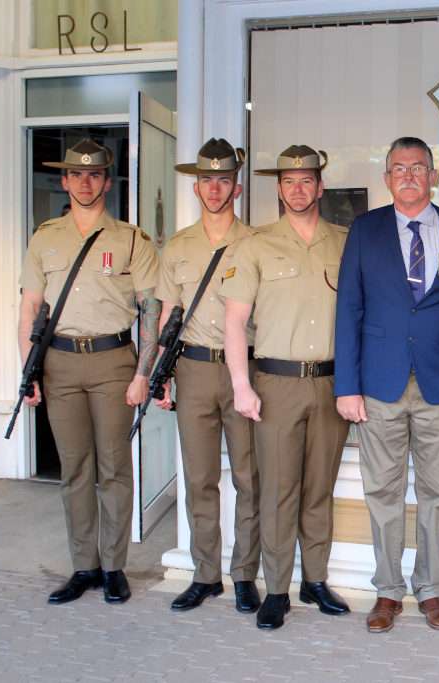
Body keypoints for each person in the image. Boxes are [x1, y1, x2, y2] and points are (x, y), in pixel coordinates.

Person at [334, 136, 439, 634]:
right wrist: (346, 386)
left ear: (434, 174)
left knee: (438, 493)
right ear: (386, 178)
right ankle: (387, 591)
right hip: (379, 383)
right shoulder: (365, 230)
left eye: (418, 168)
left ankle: (431, 588)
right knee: (384, 490)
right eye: (399, 168)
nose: (409, 176)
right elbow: (349, 310)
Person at [19, 138, 160, 605]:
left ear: (107, 181)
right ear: (64, 180)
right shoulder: (45, 236)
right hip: (59, 363)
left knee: (115, 469)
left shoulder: (131, 239)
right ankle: (84, 566)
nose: (85, 181)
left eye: (94, 174)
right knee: (75, 469)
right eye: (76, 174)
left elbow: (150, 311)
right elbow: (30, 308)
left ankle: (115, 566)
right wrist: (29, 371)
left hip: (112, 362)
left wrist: (144, 373)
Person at [220, 145, 351, 630]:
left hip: (330, 384)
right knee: (277, 491)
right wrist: (241, 385)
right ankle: (276, 588)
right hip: (274, 384)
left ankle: (314, 579)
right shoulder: (255, 245)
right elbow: (234, 323)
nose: (298, 189)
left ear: (320, 187)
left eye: (306, 181)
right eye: (289, 182)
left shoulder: (344, 241)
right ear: (278, 189)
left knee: (319, 488)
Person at [154, 138, 261, 614]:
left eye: (223, 180)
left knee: (248, 477)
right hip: (194, 369)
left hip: (245, 370)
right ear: (195, 187)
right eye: (206, 180)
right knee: (199, 478)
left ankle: (244, 574)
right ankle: (205, 574)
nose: (214, 189)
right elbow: (167, 315)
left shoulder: (258, 243)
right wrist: (160, 373)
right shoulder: (177, 246)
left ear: (236, 187)